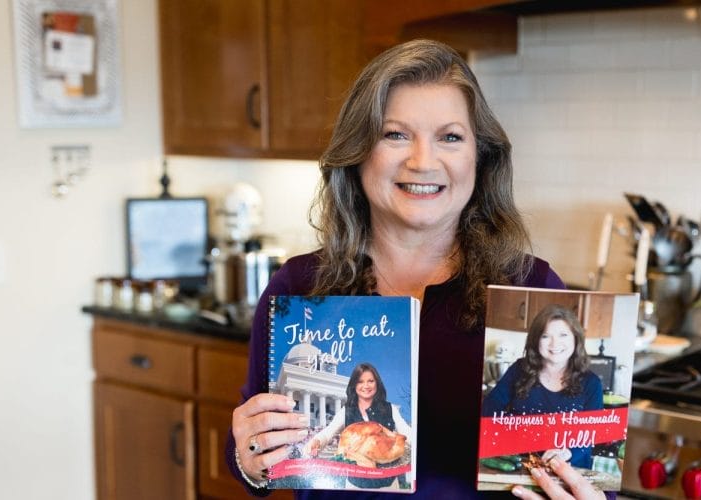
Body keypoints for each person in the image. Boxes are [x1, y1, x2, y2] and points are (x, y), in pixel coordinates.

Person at [228, 39, 607, 500]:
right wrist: (250, 458)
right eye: (396, 134)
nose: (423, 161)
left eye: (450, 137)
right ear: (358, 151)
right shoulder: (298, 288)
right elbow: (254, 454)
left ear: (479, 157)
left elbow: (582, 470)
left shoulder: (531, 290)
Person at [481, 304, 604, 469]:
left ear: (576, 338)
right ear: (536, 340)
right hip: (519, 468)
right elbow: (489, 409)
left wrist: (567, 452)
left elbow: (591, 434)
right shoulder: (519, 369)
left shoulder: (592, 383)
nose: (555, 344)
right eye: (546, 336)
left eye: (563, 335)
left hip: (569, 472)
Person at [303, 363, 413, 488]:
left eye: (370, 381)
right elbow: (328, 432)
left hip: (388, 487)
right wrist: (317, 441)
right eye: (360, 381)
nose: (366, 386)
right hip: (354, 487)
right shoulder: (346, 411)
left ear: (377, 383)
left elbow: (406, 432)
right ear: (354, 385)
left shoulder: (390, 409)